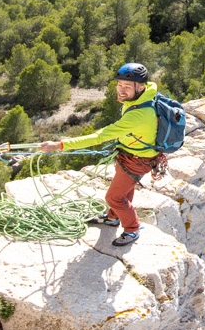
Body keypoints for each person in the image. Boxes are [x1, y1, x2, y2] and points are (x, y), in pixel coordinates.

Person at [39, 62, 163, 247]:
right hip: (131, 155)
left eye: (127, 87)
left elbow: (99, 137)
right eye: (119, 85)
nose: (121, 90)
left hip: (137, 160)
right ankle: (113, 217)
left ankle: (132, 229)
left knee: (113, 197)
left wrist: (60, 145)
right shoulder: (143, 97)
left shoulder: (139, 114)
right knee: (124, 189)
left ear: (141, 87)